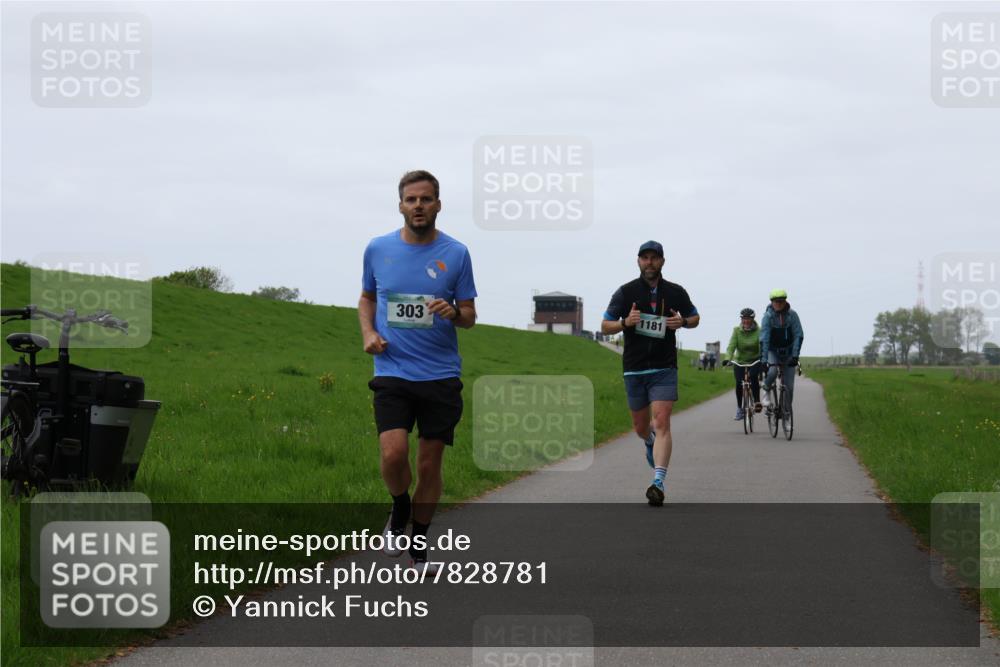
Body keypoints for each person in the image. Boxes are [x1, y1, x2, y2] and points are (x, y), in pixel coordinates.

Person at [359, 170, 477, 572]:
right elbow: (366, 298)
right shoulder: (377, 249)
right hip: (392, 368)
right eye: (411, 200)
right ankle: (399, 507)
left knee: (429, 465)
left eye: (426, 199)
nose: (419, 206)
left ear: (438, 204)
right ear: (401, 205)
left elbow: (470, 317)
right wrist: (369, 332)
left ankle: (420, 541)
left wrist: (454, 311)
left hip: (440, 374)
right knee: (393, 454)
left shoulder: (457, 253)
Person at [601, 241, 700, 506]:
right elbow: (604, 325)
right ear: (638, 261)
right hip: (634, 368)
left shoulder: (676, 292)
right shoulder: (625, 292)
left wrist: (684, 322)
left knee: (662, 422)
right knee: (641, 427)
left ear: (662, 262)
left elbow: (695, 317)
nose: (649, 262)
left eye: (654, 258)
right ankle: (648, 442)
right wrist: (624, 323)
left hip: (664, 367)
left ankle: (658, 481)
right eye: (645, 258)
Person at [759, 289, 804, 412]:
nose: (778, 303)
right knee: (772, 371)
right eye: (775, 301)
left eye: (781, 301)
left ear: (785, 301)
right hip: (772, 351)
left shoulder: (792, 315)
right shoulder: (767, 317)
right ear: (771, 302)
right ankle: (766, 388)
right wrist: (763, 361)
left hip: (789, 352)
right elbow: (764, 339)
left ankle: (787, 415)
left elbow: (798, 335)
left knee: (789, 388)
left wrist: (795, 356)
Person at [725, 307, 762, 420]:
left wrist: (763, 358)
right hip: (740, 361)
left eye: (748, 319)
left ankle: (756, 402)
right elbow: (732, 346)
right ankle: (740, 409)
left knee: (754, 376)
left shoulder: (759, 331)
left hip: (755, 359)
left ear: (753, 319)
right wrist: (728, 358)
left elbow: (762, 345)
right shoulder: (736, 330)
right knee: (739, 383)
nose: (746, 321)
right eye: (744, 318)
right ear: (741, 319)